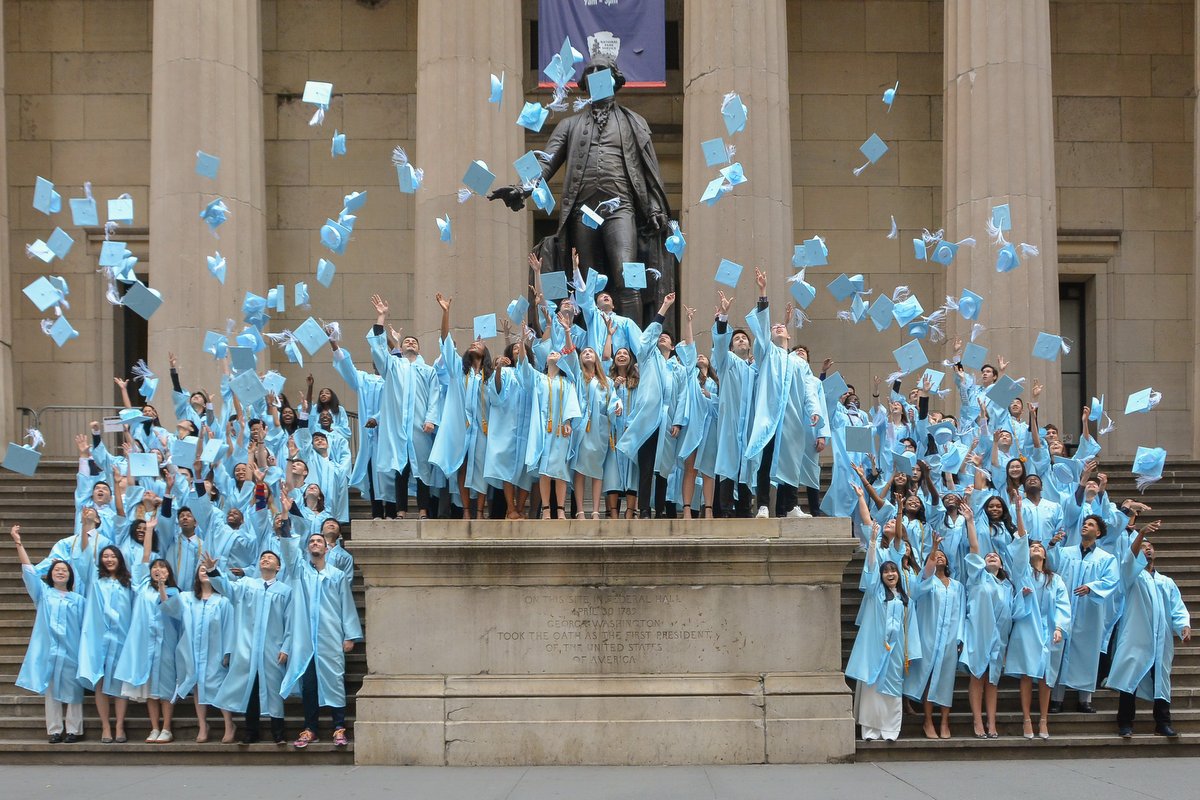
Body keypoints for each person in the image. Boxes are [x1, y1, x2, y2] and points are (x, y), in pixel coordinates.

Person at [489, 54, 673, 325]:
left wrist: (655, 206)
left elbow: (648, 168)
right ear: (585, 83)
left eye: (603, 70)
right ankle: (592, 347)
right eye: (591, 71)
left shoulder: (634, 122)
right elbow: (545, 159)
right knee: (586, 283)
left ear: (615, 79)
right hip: (582, 210)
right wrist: (522, 187)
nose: (596, 74)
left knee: (627, 275)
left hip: (621, 207)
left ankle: (632, 349)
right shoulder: (569, 124)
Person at [279, 505, 363, 750]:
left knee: (335, 680)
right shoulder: (299, 573)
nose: (315, 543)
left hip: (330, 635)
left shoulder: (336, 575)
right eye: (312, 541)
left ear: (327, 548)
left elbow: (346, 605)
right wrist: (286, 518)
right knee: (309, 684)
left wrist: (350, 635)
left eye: (319, 541)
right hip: (306, 639)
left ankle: (339, 726)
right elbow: (288, 550)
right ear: (307, 548)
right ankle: (311, 728)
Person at [1105, 520, 1192, 738]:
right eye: (1144, 546)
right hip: (1136, 636)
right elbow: (1128, 560)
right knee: (1129, 678)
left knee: (1161, 679)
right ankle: (1125, 723)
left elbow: (1177, 607)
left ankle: (1162, 723)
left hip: (1161, 638)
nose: (1147, 548)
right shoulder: (1131, 577)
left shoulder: (1166, 581)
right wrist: (1140, 534)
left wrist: (1183, 625)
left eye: (1150, 546)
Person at [211, 548, 300, 746]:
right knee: (250, 689)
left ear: (278, 567)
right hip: (249, 648)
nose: (265, 559)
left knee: (274, 690)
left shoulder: (285, 591)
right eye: (263, 557)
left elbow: (290, 622)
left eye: (270, 558)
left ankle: (279, 732)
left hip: (272, 648)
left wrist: (285, 647)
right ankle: (251, 732)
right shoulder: (246, 585)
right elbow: (226, 587)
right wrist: (212, 571)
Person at [846, 520, 922, 741]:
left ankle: (890, 730)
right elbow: (871, 569)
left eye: (893, 571)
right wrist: (871, 543)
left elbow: (910, 628)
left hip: (895, 651)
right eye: (886, 571)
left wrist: (909, 650)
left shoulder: (904, 599)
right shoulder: (875, 594)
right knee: (872, 690)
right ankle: (870, 730)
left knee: (892, 689)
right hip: (875, 648)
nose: (890, 574)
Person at [11, 525, 87, 744]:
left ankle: (74, 729)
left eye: (64, 569)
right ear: (51, 574)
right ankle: (55, 730)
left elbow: (84, 628)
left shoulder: (79, 600)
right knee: (51, 692)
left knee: (74, 692)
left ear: (70, 574)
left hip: (71, 649)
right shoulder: (43, 594)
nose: (61, 571)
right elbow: (29, 571)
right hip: (49, 649)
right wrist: (18, 543)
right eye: (57, 569)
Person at [112, 518, 182, 743]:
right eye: (155, 568)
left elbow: (169, 608)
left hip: (166, 645)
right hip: (145, 644)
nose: (157, 570)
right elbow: (144, 558)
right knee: (150, 689)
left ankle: (167, 728)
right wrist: (149, 531)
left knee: (165, 688)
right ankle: (154, 727)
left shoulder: (173, 591)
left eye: (162, 567)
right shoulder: (142, 587)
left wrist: (162, 585)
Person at [1047, 513, 1120, 714]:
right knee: (1060, 653)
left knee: (1087, 652)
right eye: (1084, 523)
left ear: (1098, 532)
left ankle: (1085, 698)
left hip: (1090, 611)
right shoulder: (1067, 552)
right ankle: (1056, 699)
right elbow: (1052, 568)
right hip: (1066, 607)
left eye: (1090, 524)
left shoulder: (1106, 558)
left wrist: (1091, 587)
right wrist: (1052, 546)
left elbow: (1111, 581)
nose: (1085, 526)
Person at [959, 496, 1014, 739]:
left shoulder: (1008, 586)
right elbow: (974, 549)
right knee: (977, 676)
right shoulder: (978, 577)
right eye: (988, 556)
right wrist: (970, 521)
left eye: (996, 557)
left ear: (1002, 565)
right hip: (978, 634)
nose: (991, 557)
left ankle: (992, 723)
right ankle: (977, 721)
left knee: (993, 681)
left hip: (998, 638)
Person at [166, 560, 235, 743]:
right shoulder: (187, 598)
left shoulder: (223, 601)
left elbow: (230, 628)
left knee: (219, 687)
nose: (204, 572)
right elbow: (170, 609)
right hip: (193, 651)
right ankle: (203, 725)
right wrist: (161, 585)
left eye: (208, 570)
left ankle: (229, 724)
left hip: (215, 652)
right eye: (201, 570)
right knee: (197, 686)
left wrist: (228, 652)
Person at [76, 537, 134, 744]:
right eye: (105, 556)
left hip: (122, 637)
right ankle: (105, 726)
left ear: (120, 559)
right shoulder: (95, 581)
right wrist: (85, 529)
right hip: (99, 638)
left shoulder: (128, 583)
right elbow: (82, 561)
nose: (109, 560)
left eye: (113, 556)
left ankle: (119, 725)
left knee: (120, 684)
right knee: (100, 682)